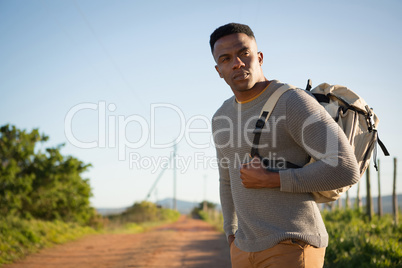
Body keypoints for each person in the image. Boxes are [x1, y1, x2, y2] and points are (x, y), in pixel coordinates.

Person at [210, 23, 360, 268]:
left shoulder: (292, 101)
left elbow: (345, 168)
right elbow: (227, 179)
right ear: (219, 69)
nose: (237, 63)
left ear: (259, 57)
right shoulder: (221, 117)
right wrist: (231, 234)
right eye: (226, 59)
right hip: (244, 249)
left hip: (292, 243)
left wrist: (273, 178)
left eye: (244, 53)